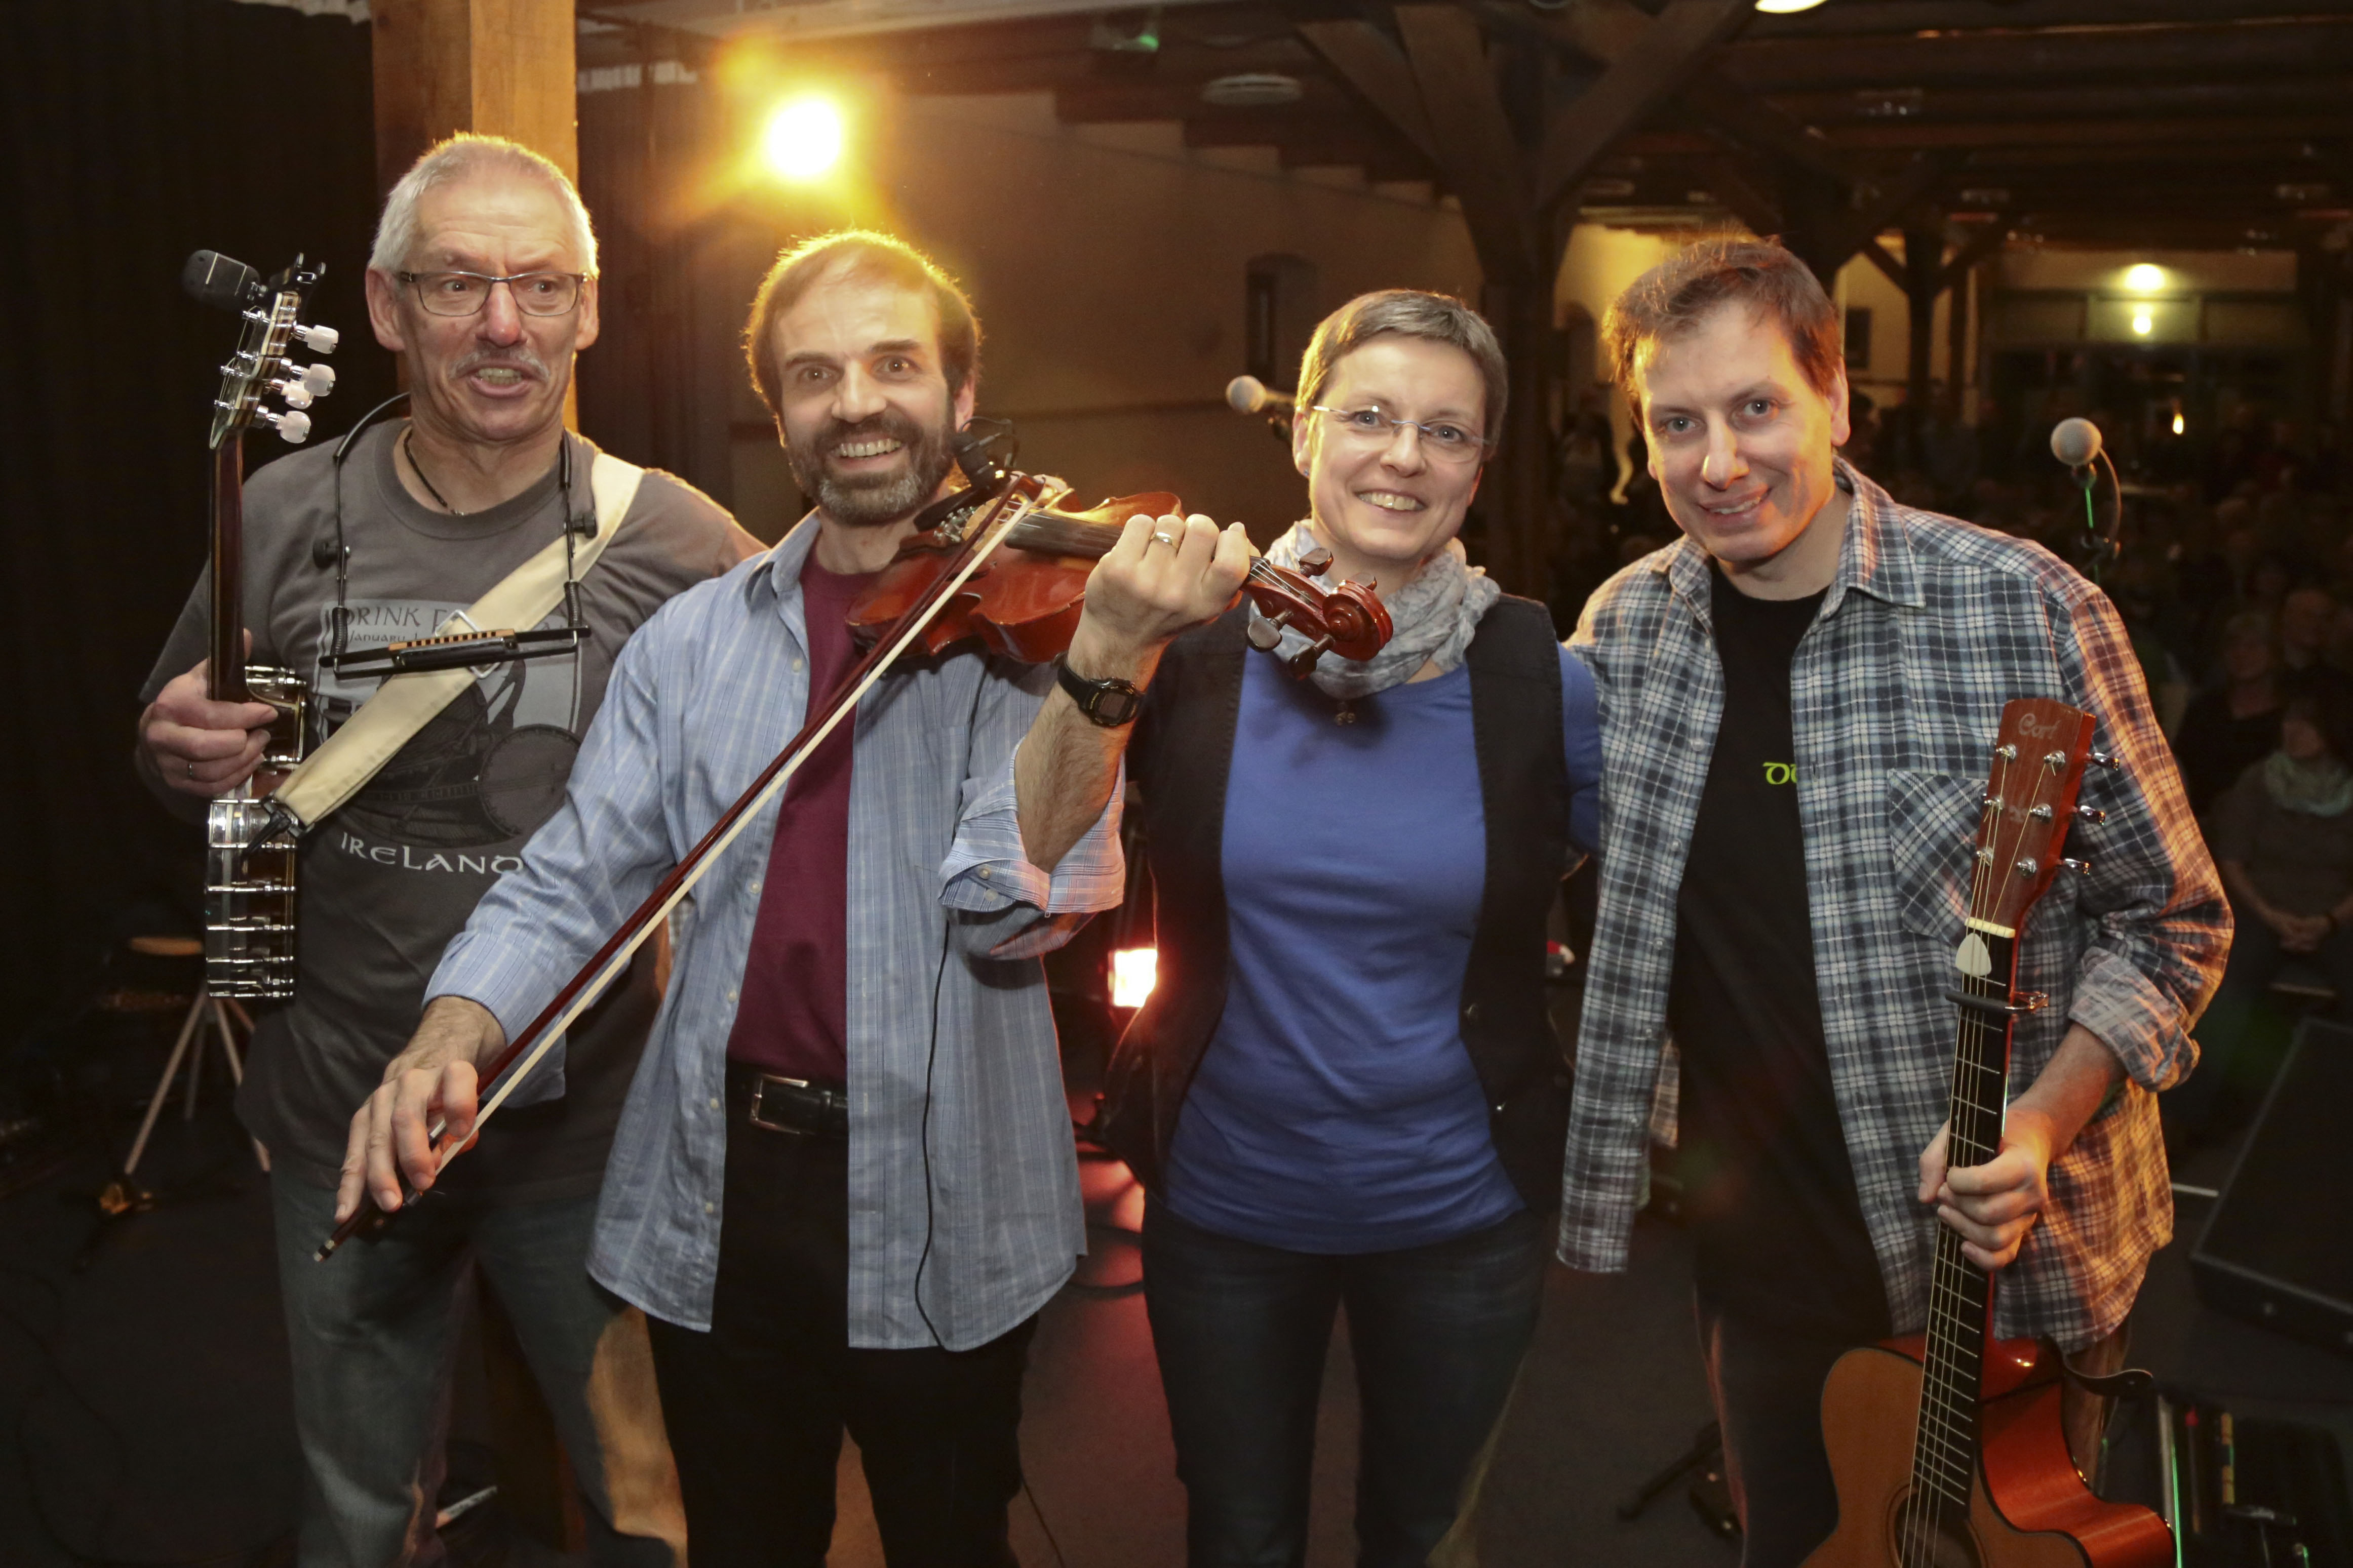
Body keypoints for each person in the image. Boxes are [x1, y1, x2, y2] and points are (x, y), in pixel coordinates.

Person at [343, 229, 1125, 1568]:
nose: (858, 400)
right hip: (715, 1190)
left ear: (960, 396)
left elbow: (1021, 909)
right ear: (780, 412)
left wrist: (1101, 677)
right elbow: (569, 876)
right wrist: (447, 1037)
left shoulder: (1041, 631)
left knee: (950, 1542)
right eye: (814, 373)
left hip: (948, 1186)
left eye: (894, 363)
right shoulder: (694, 642)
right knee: (744, 1541)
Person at [136, 135, 758, 1567]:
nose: (502, 324)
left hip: (589, 1134)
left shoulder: (678, 540)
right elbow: (186, 770)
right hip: (339, 1110)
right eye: (458, 282)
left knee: (644, 1502)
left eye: (540, 285)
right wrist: (177, 764)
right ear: (383, 303)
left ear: (589, 311)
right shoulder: (282, 516)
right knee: (356, 1511)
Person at [1563, 237, 2229, 1568]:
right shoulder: (1624, 632)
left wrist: (2036, 1126)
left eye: (1754, 407)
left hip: (2003, 1278)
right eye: (1674, 423)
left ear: (1835, 400)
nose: (1714, 461)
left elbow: (2171, 923)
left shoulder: (2024, 608)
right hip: (1757, 1261)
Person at [1010, 290, 1602, 1567]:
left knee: (1425, 1538)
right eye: (1370, 417)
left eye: (1445, 433)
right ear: (1303, 437)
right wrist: (1109, 641)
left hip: (1459, 1206)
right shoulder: (1195, 650)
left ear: (1479, 468)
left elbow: (1640, 877)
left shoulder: (1537, 675)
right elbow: (1037, 848)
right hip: (1227, 1204)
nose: (1403, 455)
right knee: (1236, 1532)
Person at [2170, 687, 2353, 1149]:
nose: (2294, 731)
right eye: (2290, 721)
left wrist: (2329, 921)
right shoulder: (2259, 780)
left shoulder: (2349, 788)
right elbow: (2230, 859)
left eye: (2307, 724)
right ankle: (2187, 1122)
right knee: (2223, 984)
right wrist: (2272, 915)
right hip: (2261, 909)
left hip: (2335, 915)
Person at [2172, 612, 2285, 818]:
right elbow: (2181, 768)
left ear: (2274, 654)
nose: (2241, 654)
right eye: (2234, 646)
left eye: (2252, 647)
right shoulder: (2205, 708)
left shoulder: (2287, 716)